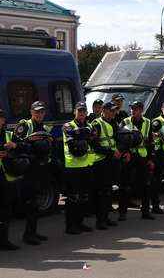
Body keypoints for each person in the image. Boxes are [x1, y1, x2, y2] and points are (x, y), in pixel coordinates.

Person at [14, 101, 54, 244]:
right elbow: (16, 145)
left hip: (40, 168)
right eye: (37, 111)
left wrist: (50, 142)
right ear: (31, 112)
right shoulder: (24, 125)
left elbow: (48, 147)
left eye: (42, 112)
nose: (39, 114)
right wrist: (29, 140)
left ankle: (33, 232)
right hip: (28, 169)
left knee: (37, 202)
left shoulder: (44, 127)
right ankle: (28, 235)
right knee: (30, 202)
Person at [61, 102, 96, 234]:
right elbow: (72, 137)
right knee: (72, 198)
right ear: (74, 112)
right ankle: (70, 226)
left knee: (83, 197)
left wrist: (82, 135)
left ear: (86, 113)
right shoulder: (68, 125)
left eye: (83, 111)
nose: (81, 113)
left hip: (87, 165)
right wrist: (85, 134)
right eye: (79, 110)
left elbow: (94, 138)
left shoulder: (90, 125)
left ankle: (80, 223)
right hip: (73, 167)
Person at [119, 101, 155, 220]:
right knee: (125, 185)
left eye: (136, 109)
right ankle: (122, 212)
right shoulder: (125, 122)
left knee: (146, 185)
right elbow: (119, 139)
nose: (133, 111)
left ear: (141, 110)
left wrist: (151, 159)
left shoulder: (148, 122)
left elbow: (151, 142)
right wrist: (125, 152)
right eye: (132, 109)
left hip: (143, 157)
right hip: (129, 156)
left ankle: (145, 211)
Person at [90, 101, 121, 229]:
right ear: (104, 110)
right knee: (101, 192)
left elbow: (117, 139)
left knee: (108, 191)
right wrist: (111, 152)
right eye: (111, 110)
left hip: (111, 161)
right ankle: (100, 221)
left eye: (114, 110)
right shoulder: (96, 124)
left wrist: (121, 151)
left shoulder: (113, 123)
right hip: (100, 162)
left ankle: (106, 217)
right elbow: (95, 145)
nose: (113, 112)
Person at [1, 108, 24, 250]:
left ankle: (4, 241)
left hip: (6, 177)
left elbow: (24, 146)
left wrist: (15, 145)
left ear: (3, 120)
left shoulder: (9, 134)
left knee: (6, 211)